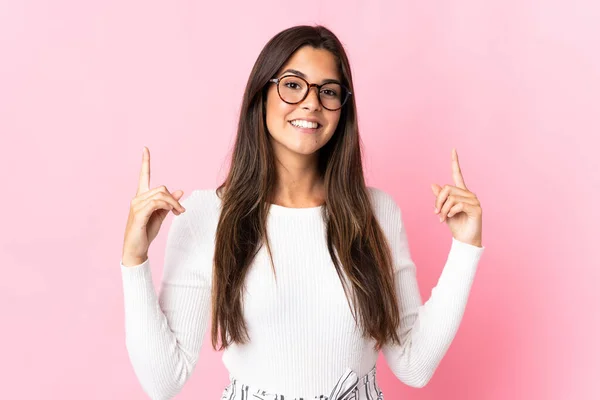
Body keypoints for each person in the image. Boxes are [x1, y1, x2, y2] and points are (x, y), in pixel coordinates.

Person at [120, 25, 485, 400]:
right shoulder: (205, 215)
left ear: (342, 110)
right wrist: (134, 260)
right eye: (293, 85)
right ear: (261, 94)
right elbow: (163, 383)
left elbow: (414, 365)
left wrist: (466, 247)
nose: (311, 102)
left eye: (328, 92)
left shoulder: (376, 212)